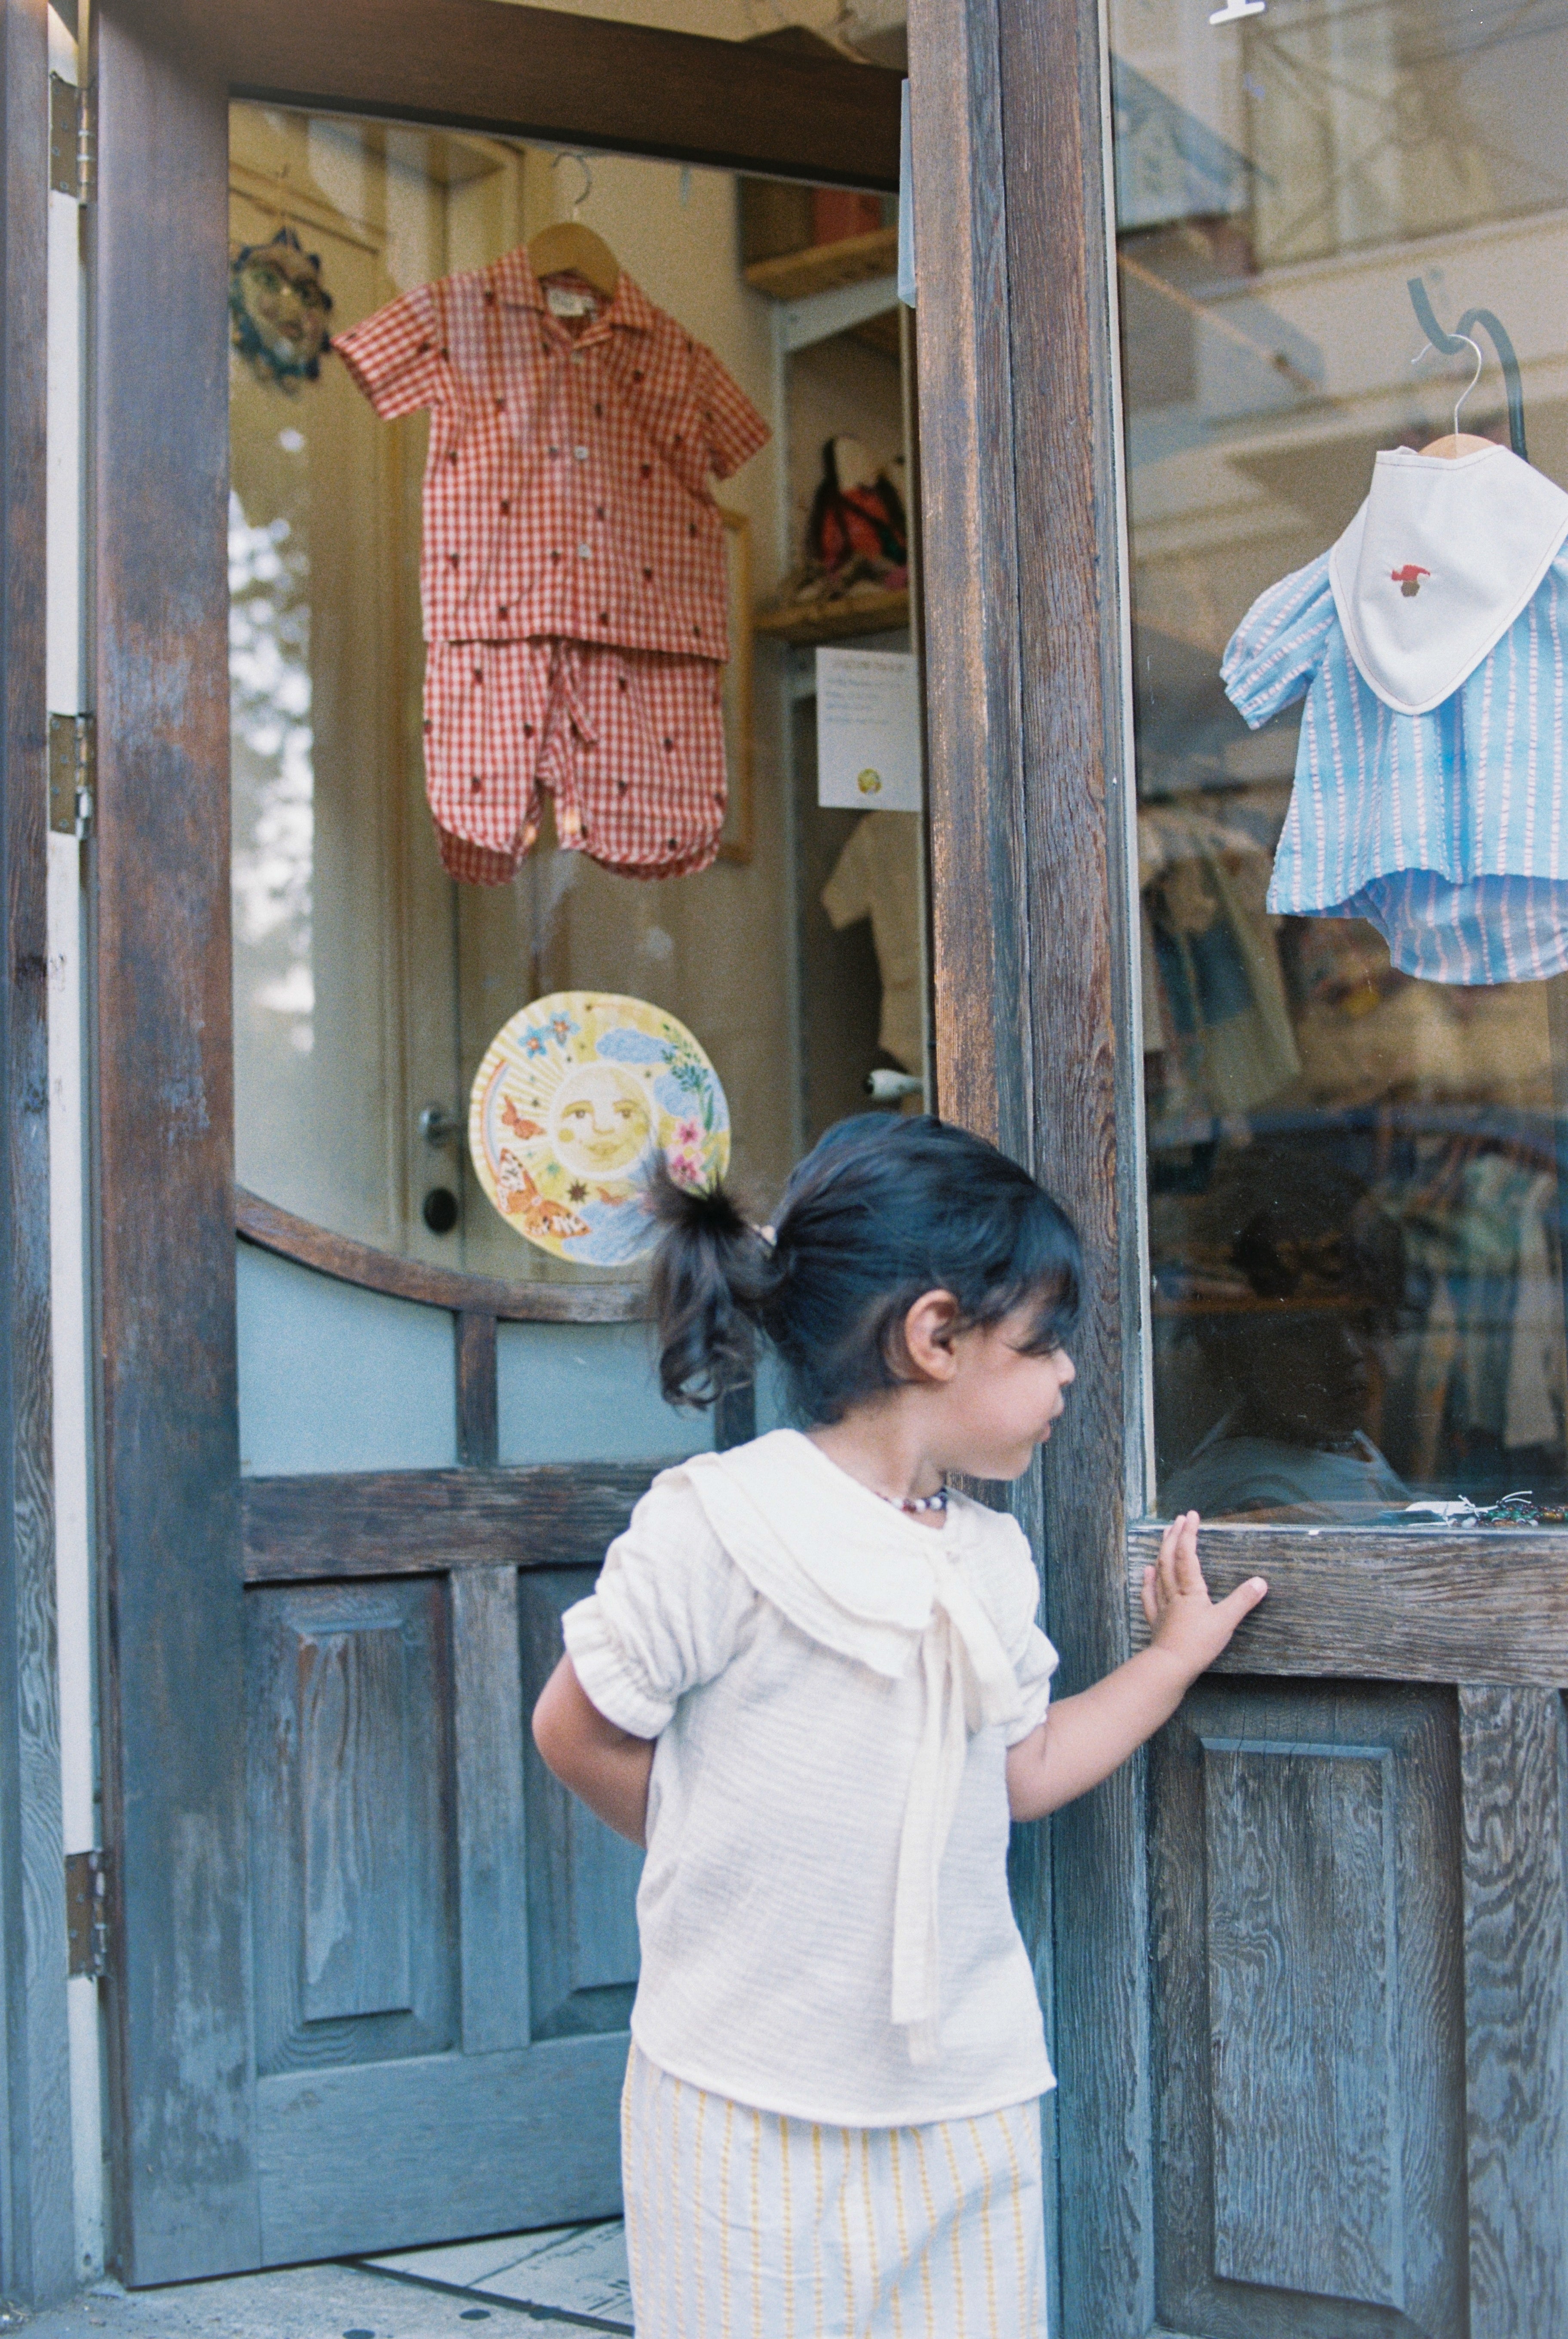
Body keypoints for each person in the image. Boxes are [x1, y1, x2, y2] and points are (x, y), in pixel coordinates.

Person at [532, 1114, 1266, 2336]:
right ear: (934, 1336)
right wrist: (721, 1858)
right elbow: (578, 1730)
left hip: (959, 2101)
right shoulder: (720, 1527)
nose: (1070, 1379)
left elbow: (1019, 1769)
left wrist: (1172, 1663)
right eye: (1044, 1346)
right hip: (742, 2095)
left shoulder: (991, 1556)